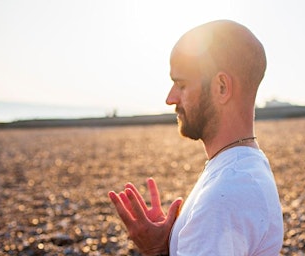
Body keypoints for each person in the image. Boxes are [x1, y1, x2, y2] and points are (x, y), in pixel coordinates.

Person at [108, 19, 284, 255]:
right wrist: (164, 246)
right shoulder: (243, 166)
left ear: (221, 87)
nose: (170, 99)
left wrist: (154, 250)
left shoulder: (224, 197)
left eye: (180, 84)